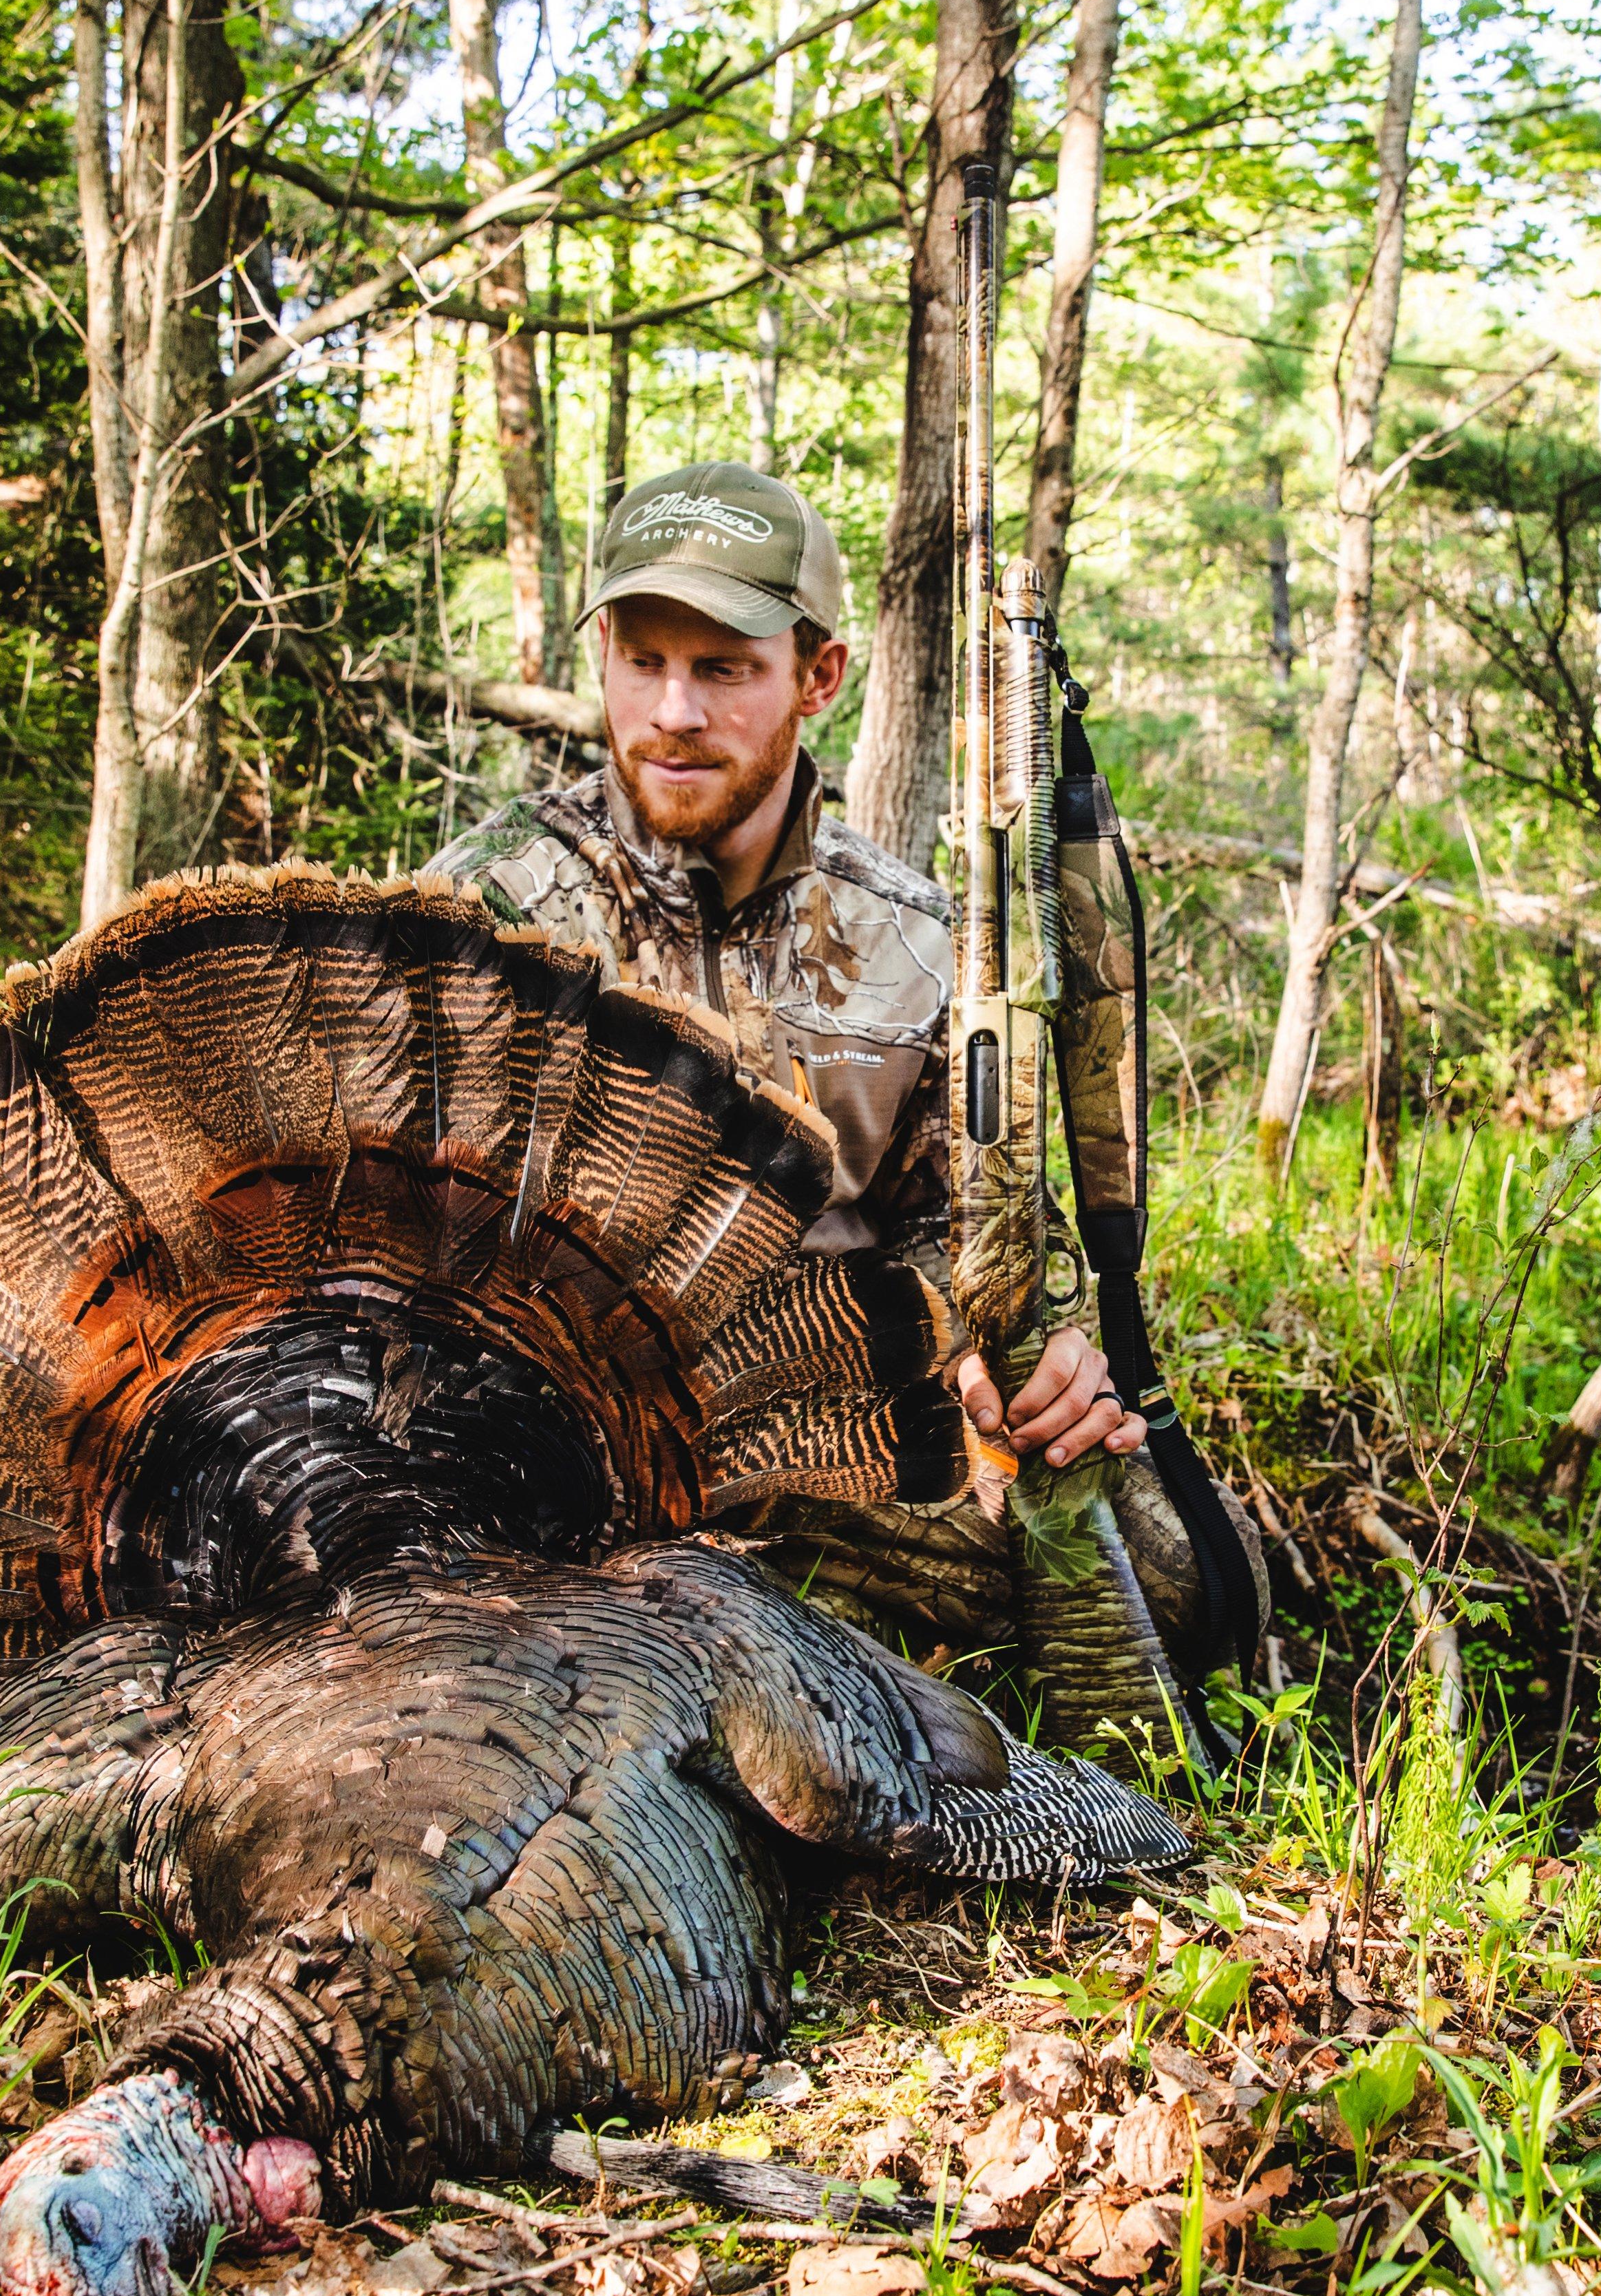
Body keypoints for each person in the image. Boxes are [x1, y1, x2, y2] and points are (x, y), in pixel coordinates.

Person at [427, 461, 1211, 1715]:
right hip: (555, 1442)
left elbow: (970, 1215)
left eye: (725, 668)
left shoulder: (909, 935)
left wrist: (1016, 1345)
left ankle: (785, 1636)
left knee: (1181, 1579)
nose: (672, 712)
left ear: (820, 677)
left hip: (816, 1437)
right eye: (642, 661)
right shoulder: (492, 909)